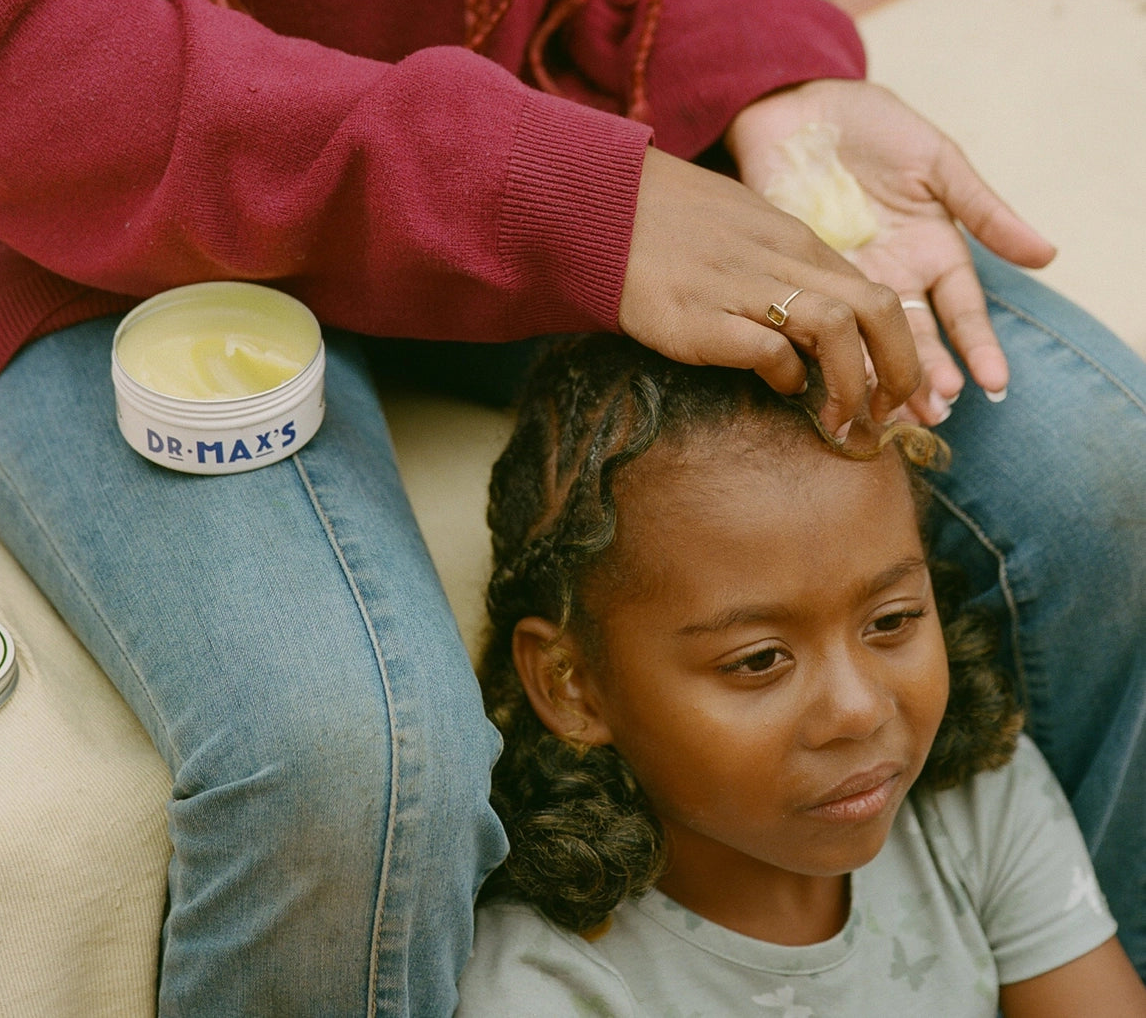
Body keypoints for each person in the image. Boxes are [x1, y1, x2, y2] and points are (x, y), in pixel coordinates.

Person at [0, 0, 1142, 1013]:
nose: (856, 711)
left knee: (1095, 468)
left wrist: (767, 77)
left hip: (541, 101)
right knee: (346, 761)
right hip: (85, 212)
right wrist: (559, 199)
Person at [459, 334, 1146, 1016]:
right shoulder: (548, 986)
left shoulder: (974, 801)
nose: (860, 711)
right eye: (759, 660)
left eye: (892, 620)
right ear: (570, 684)